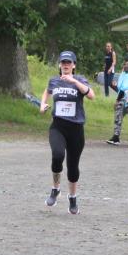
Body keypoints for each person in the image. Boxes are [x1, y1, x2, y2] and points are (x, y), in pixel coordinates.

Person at [40, 50, 95, 214]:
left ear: (73, 65)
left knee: (72, 166)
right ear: (59, 65)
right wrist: (42, 104)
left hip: (76, 129)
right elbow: (47, 91)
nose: (65, 65)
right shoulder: (54, 81)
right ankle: (55, 189)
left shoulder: (80, 80)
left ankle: (72, 197)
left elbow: (91, 95)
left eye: (68, 62)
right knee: (57, 155)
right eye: (63, 62)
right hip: (58, 126)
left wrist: (74, 81)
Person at [106, 60, 128, 146]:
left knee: (125, 118)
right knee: (120, 118)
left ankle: (117, 138)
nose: (126, 66)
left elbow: (123, 89)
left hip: (126, 99)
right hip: (125, 99)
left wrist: (117, 100)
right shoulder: (123, 75)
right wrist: (114, 85)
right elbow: (120, 88)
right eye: (125, 64)